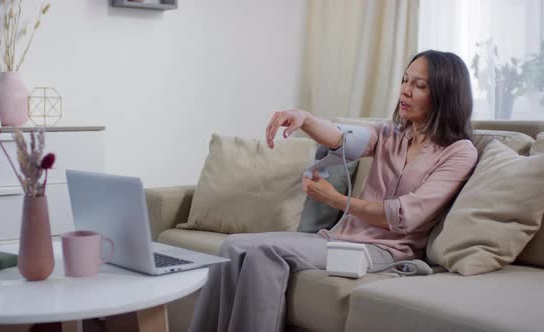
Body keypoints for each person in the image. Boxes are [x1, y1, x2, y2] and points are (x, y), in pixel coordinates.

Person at [188, 50, 478, 332]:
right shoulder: (392, 133)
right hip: (341, 238)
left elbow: (404, 216)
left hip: (387, 251)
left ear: (444, 94)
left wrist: (337, 200)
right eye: (405, 80)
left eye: (419, 85)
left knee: (265, 254)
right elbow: (344, 138)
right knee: (232, 246)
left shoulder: (459, 152)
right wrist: (305, 119)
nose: (405, 91)